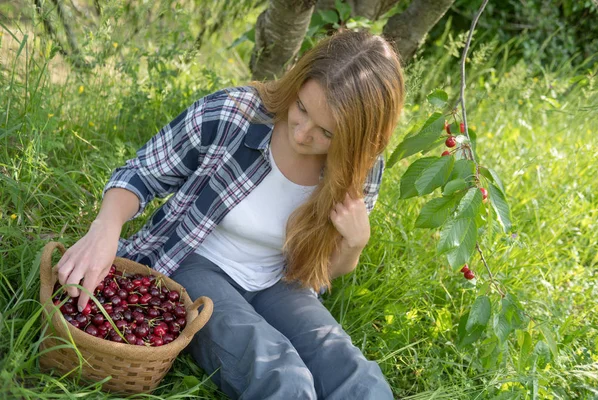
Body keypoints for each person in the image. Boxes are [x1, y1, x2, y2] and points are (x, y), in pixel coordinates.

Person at [54, 29, 405, 399]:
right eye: (301, 108)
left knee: (354, 373)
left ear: (358, 138)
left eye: (326, 133)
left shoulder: (360, 168)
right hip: (195, 263)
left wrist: (355, 242)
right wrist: (105, 227)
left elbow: (325, 270)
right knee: (281, 375)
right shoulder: (235, 115)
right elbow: (142, 172)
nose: (302, 134)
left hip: (282, 280)